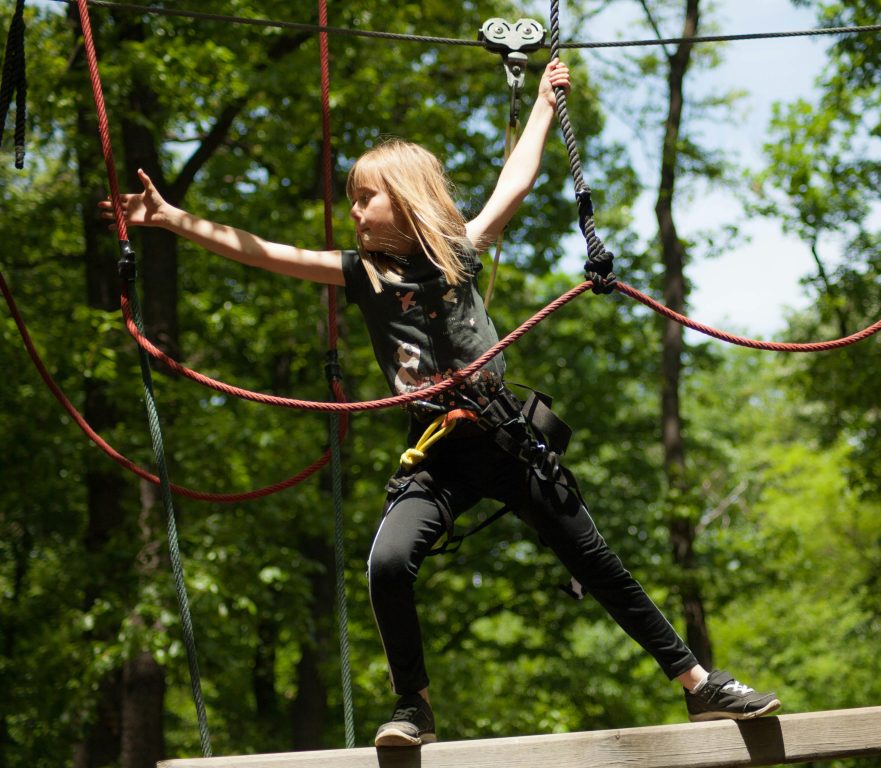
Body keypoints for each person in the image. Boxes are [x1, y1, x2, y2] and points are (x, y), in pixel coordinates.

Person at [101, 58, 781, 748]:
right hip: (437, 456)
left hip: (507, 442)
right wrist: (172, 219)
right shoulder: (357, 273)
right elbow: (261, 251)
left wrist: (545, 103)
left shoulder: (460, 253)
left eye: (367, 197)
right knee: (387, 563)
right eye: (354, 197)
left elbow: (515, 183)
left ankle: (699, 685)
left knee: (595, 559)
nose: (355, 210)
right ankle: (413, 704)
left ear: (407, 198)